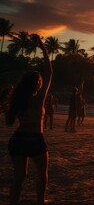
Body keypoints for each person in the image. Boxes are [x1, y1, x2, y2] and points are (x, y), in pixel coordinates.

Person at [6, 42, 52, 205]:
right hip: (34, 139)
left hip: (18, 139)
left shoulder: (18, 98)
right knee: (42, 173)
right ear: (38, 84)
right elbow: (49, 71)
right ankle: (40, 200)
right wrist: (44, 49)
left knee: (19, 177)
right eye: (40, 81)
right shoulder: (38, 98)